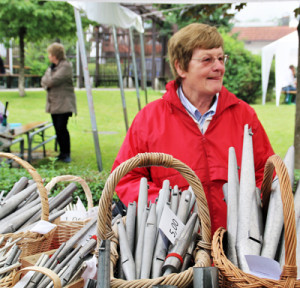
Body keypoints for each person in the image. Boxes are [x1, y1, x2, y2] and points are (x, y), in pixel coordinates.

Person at [112, 23, 274, 235]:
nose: (219, 67)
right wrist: (169, 210)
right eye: (207, 60)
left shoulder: (244, 116)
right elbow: (127, 178)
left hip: (236, 248)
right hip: (174, 250)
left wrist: (253, 211)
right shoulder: (149, 119)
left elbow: (266, 172)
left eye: (220, 58)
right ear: (181, 68)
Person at [41, 42, 77, 163]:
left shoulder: (66, 66)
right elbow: (43, 81)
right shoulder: (52, 67)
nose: (48, 56)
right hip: (54, 104)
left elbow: (52, 81)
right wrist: (47, 80)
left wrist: (48, 80)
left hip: (64, 104)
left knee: (62, 128)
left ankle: (67, 153)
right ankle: (62, 153)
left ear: (55, 55)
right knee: (57, 129)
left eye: (50, 54)